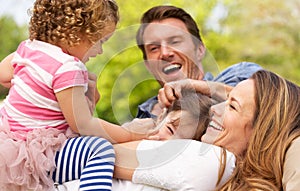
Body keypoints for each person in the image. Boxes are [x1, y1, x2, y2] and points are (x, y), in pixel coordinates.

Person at [0, 0, 155, 191]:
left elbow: (4, 76)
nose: (99, 51)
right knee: (99, 149)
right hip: (38, 158)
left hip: (8, 146)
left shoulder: (27, 48)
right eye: (100, 42)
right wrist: (132, 133)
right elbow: (84, 125)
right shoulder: (68, 67)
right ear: (75, 33)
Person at [158, 70, 300, 190]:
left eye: (232, 107)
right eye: (225, 100)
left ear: (261, 133)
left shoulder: (205, 166)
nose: (213, 109)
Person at [134, 5, 263, 119]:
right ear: (147, 65)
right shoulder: (144, 114)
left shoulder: (240, 75)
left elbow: (271, 104)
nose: (165, 53)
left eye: (175, 42)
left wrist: (197, 88)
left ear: (200, 50)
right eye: (154, 48)